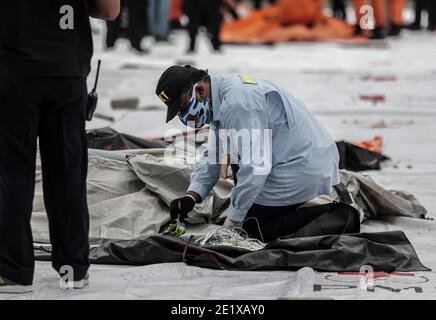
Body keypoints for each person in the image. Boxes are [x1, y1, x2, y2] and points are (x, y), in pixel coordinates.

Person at [0, 0, 120, 294]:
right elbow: (109, 10)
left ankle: (14, 273)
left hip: (13, 70)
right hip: (66, 70)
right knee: (66, 172)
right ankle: (73, 269)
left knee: (12, 174)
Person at [155, 65, 340, 242]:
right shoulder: (223, 99)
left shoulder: (238, 103)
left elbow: (255, 166)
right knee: (236, 168)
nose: (183, 115)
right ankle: (286, 209)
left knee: (251, 229)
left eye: (182, 106)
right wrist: (191, 197)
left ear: (200, 90)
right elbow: (213, 156)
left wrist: (234, 224)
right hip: (298, 161)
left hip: (301, 167)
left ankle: (336, 216)